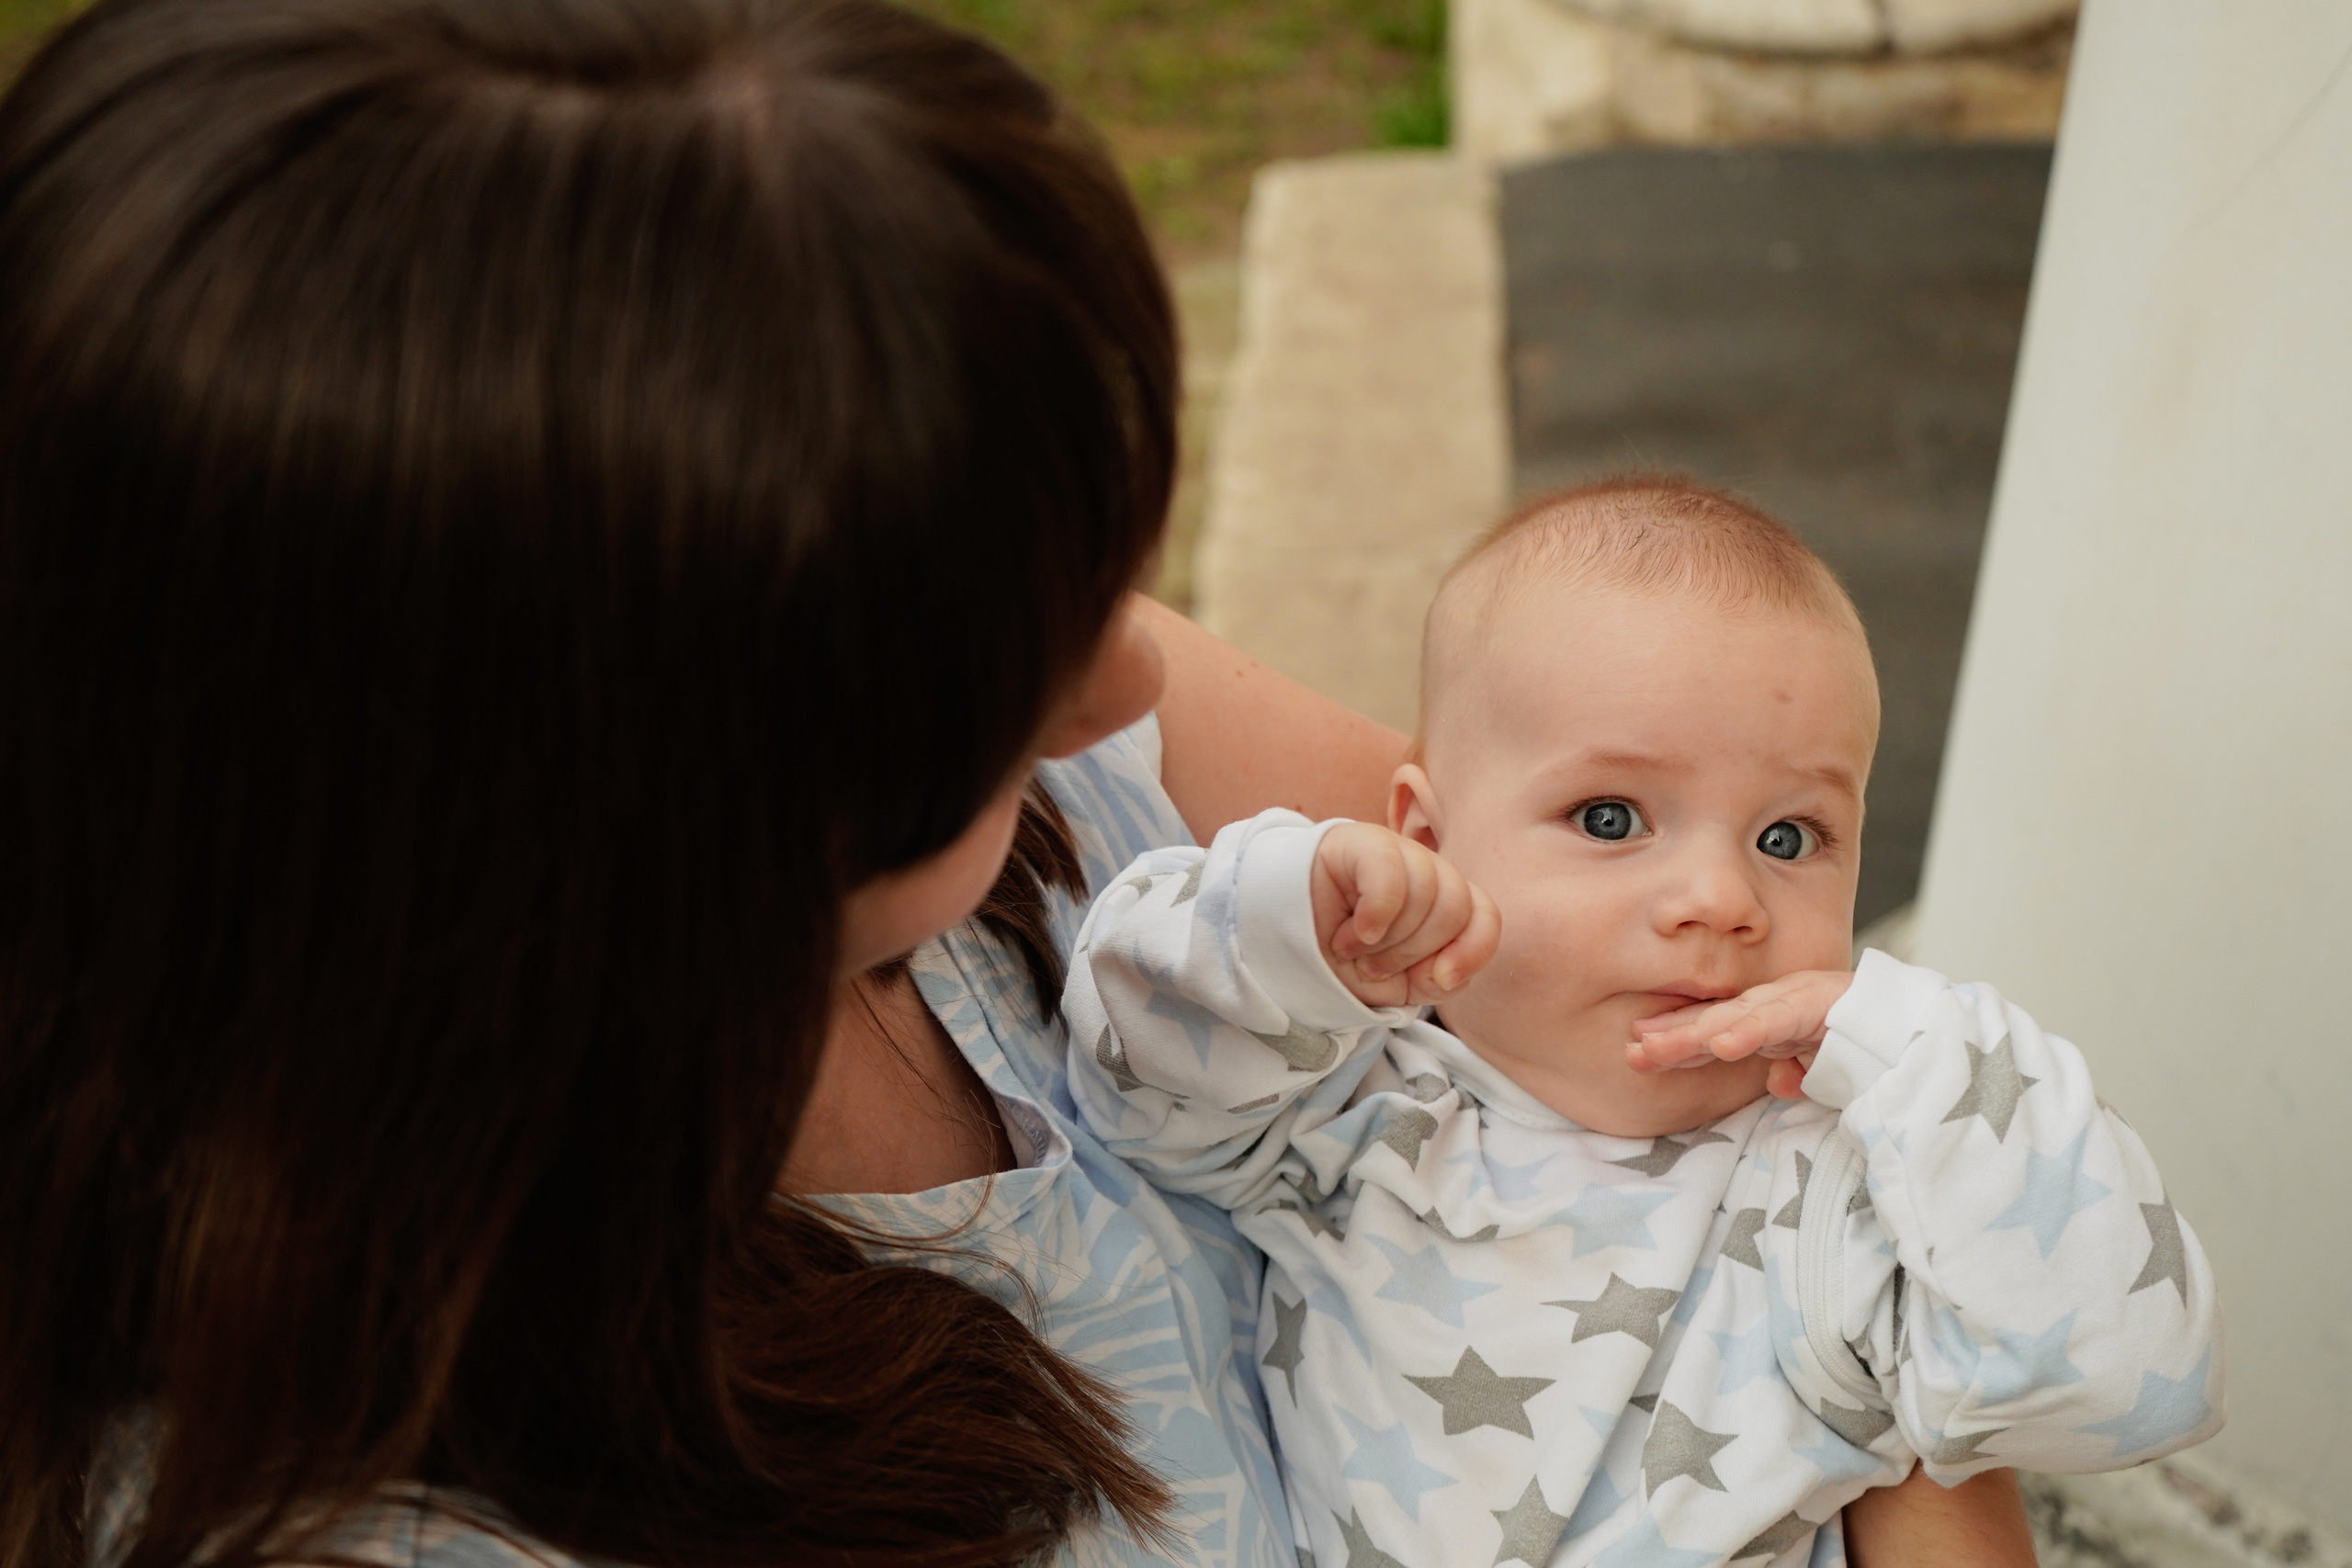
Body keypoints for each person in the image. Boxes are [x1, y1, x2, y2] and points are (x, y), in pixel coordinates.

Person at [0, 0, 2044, 1562]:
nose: (1124, 676)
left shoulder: (1045, 762)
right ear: (603, 848)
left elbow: (1750, 1105)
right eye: (995, 651)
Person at [1065, 479, 2222, 1566]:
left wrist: (1929, 1056)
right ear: (1426, 841)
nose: (1720, 901)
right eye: (1611, 816)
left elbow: (2129, 1383)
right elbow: (1134, 1070)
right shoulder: (1355, 1104)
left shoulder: (1841, 1185)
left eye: (1787, 839)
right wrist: (1294, 920)